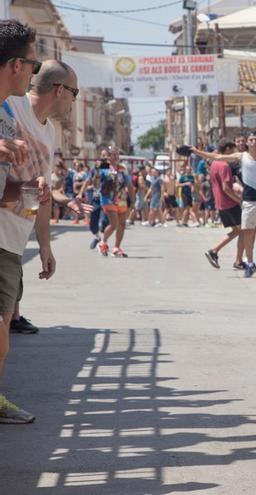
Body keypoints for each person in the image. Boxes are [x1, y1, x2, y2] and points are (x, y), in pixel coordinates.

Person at [1, 51, 71, 423]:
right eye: (74, 94)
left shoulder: (49, 131)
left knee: (5, 327)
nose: (74, 102)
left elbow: (40, 191)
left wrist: (44, 245)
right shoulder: (11, 105)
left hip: (16, 236)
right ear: (60, 90)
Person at [192, 133, 256, 277]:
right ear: (247, 142)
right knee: (247, 231)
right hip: (248, 201)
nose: (253, 142)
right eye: (250, 140)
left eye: (255, 140)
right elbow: (218, 157)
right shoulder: (241, 156)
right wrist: (198, 152)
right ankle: (250, 263)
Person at [204, 138, 245, 269]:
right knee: (243, 231)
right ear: (227, 149)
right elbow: (226, 188)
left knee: (237, 230)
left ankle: (215, 251)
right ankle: (236, 260)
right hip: (229, 203)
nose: (234, 154)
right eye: (232, 151)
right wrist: (239, 200)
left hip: (221, 203)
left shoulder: (214, 163)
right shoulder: (224, 165)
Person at [94, 148, 134, 257]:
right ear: (108, 156)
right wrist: (97, 171)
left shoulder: (122, 169)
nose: (116, 157)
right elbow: (95, 180)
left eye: (117, 154)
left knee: (122, 224)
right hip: (108, 198)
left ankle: (116, 247)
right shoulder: (103, 167)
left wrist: (133, 201)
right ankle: (103, 242)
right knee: (114, 223)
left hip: (121, 199)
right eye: (113, 155)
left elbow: (129, 185)